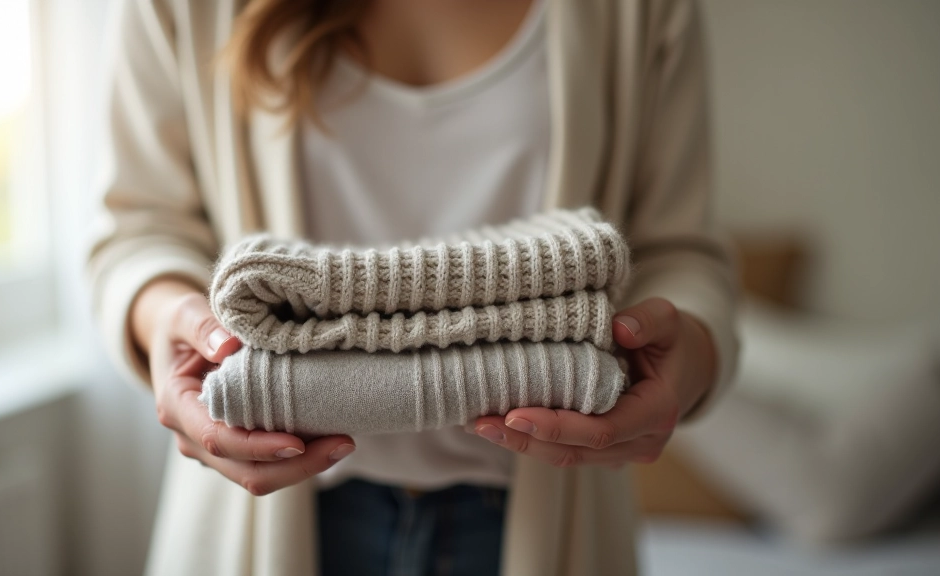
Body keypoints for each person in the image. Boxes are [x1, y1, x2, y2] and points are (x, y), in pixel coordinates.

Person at [86, 0, 739, 574]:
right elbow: (139, 228)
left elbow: (680, 250)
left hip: (540, 517)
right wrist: (174, 319)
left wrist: (688, 362)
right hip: (274, 518)